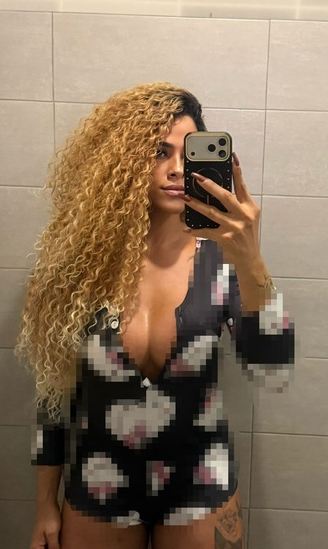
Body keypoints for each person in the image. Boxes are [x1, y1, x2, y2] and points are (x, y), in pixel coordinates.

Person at [16, 82, 294, 549]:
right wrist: (45, 503)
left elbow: (274, 366)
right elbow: (53, 394)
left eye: (188, 154)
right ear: (122, 161)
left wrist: (251, 259)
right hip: (99, 486)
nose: (176, 168)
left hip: (201, 487)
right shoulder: (79, 269)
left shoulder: (223, 262)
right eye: (158, 152)